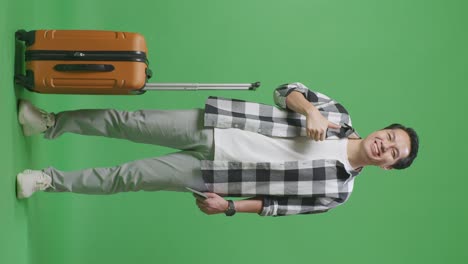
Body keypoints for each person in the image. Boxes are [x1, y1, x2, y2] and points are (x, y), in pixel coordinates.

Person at [15, 82, 419, 217]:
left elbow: (276, 207)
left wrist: (228, 207)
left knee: (129, 177)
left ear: (387, 167)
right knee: (130, 120)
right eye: (391, 137)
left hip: (218, 176)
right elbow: (285, 91)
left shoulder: (339, 191)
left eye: (393, 154)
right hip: (217, 126)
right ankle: (49, 123)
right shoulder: (337, 115)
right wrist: (311, 110)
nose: (385, 146)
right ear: (383, 129)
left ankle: (48, 181)